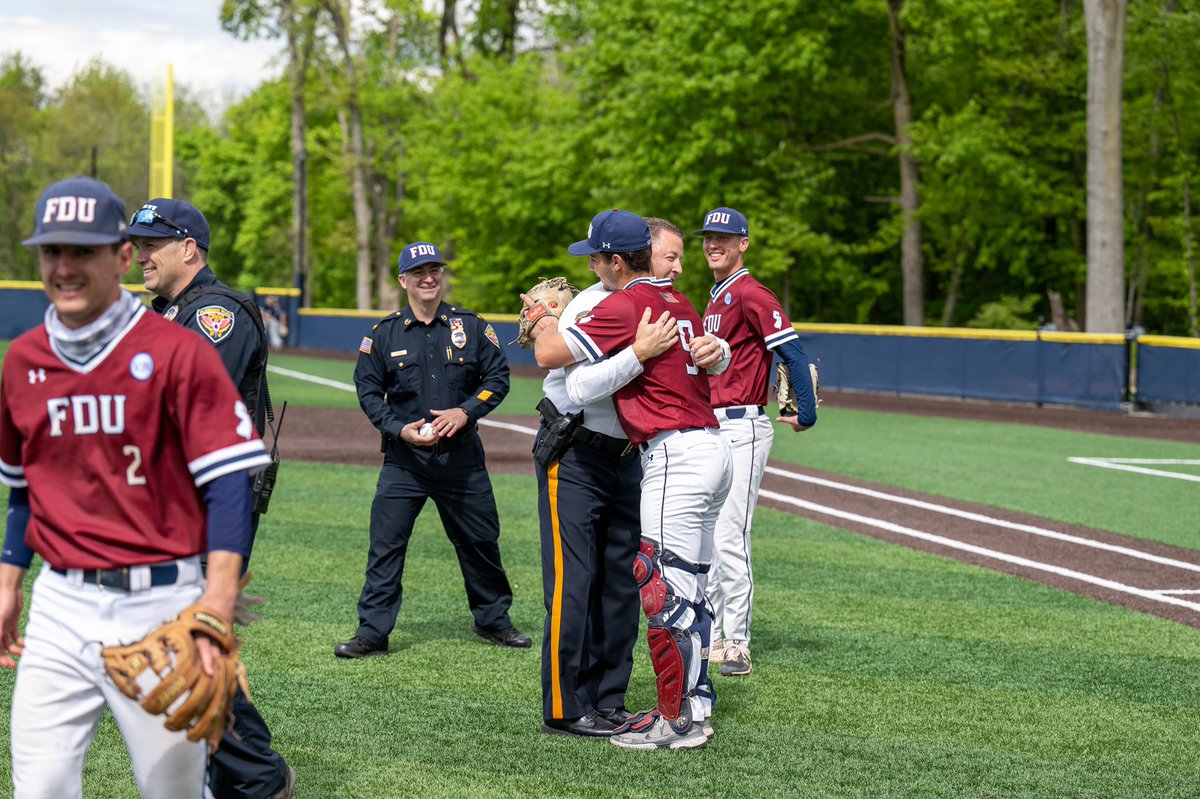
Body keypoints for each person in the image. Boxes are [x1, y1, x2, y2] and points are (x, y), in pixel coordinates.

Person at [0, 176, 271, 798]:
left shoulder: (186, 339)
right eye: (51, 251)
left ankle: (258, 781)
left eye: (83, 251)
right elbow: (24, 490)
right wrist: (10, 580)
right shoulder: (25, 360)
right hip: (59, 605)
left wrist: (217, 603)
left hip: (159, 598)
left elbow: (227, 475)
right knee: (36, 789)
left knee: (173, 790)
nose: (64, 267)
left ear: (114, 259)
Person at [527, 209, 733, 750]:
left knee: (625, 583)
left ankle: (611, 701)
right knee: (573, 583)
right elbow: (567, 386)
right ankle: (565, 707)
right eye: (670, 255)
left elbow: (700, 358)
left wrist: (714, 354)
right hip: (575, 451)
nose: (590, 264)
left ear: (616, 259)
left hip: (634, 456)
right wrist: (631, 353)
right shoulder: (600, 302)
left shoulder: (652, 300)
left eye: (595, 256)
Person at [130, 197, 295, 799]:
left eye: (152, 244)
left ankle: (258, 777)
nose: (140, 254)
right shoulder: (170, 312)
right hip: (175, 503)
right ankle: (237, 773)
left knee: (190, 640)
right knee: (183, 643)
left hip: (210, 505)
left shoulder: (215, 314)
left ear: (189, 249)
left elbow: (184, 405)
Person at [336, 241, 529, 659]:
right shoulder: (383, 334)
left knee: (481, 543)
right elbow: (368, 391)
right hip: (405, 462)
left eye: (435, 270)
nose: (429, 278)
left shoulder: (472, 327)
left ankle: (493, 621)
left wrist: (465, 412)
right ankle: (372, 633)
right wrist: (396, 429)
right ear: (403, 280)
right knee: (386, 545)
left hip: (461, 458)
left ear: (442, 276)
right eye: (419, 271)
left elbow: (497, 378)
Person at [696, 206, 818, 678]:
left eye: (724, 238)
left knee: (730, 534)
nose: (714, 244)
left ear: (743, 243)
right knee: (709, 534)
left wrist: (804, 413)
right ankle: (712, 634)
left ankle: (737, 642)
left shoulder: (750, 292)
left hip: (743, 425)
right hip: (713, 425)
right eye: (708, 237)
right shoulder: (715, 298)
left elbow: (792, 350)